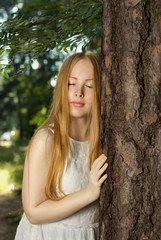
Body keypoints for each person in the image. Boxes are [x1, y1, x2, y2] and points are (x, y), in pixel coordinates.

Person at [15, 51, 108, 240]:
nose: (78, 92)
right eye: (71, 83)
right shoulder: (47, 139)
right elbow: (33, 212)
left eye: (89, 86)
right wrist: (89, 193)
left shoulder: (107, 140)